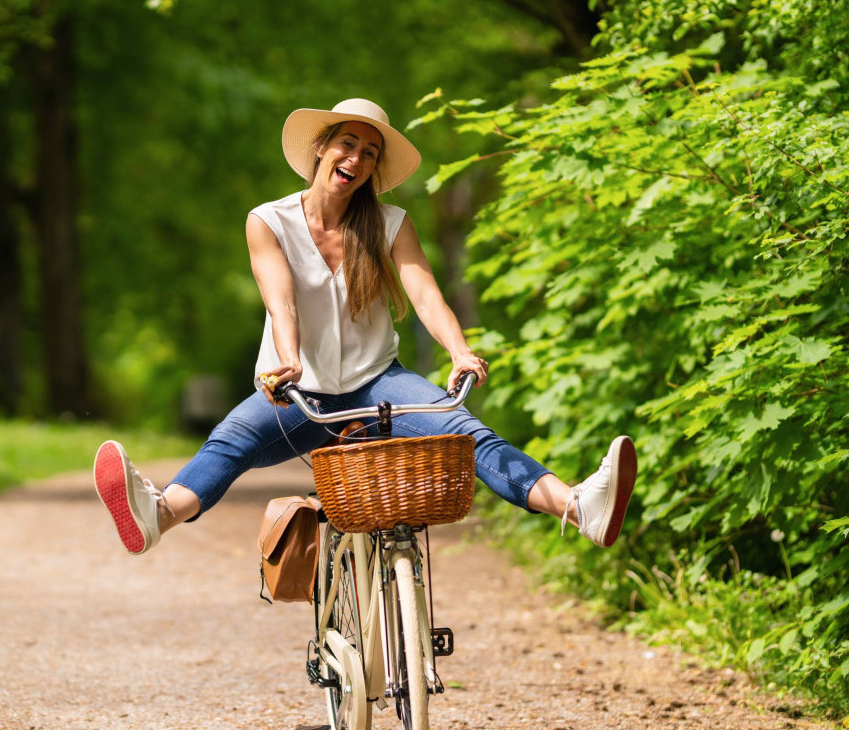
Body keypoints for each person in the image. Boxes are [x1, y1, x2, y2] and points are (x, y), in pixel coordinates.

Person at [94, 98, 635, 556]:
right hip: (296, 391)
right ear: (321, 149)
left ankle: (577, 506)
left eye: (370, 152)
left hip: (379, 386)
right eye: (347, 144)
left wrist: (460, 351)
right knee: (229, 445)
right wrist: (288, 363)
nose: (356, 158)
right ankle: (158, 516)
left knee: (466, 434)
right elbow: (281, 302)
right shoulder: (268, 221)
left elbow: (424, 291)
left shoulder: (390, 224)